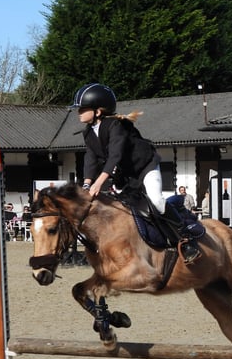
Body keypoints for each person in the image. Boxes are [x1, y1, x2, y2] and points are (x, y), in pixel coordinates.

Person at [73, 82, 200, 263]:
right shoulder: (88, 132)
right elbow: (91, 159)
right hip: (126, 177)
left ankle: (186, 239)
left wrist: (99, 182)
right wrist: (86, 184)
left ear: (98, 111)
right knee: (121, 209)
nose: (78, 112)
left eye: (82, 108)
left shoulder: (117, 125)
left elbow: (115, 156)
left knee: (156, 201)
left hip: (145, 168)